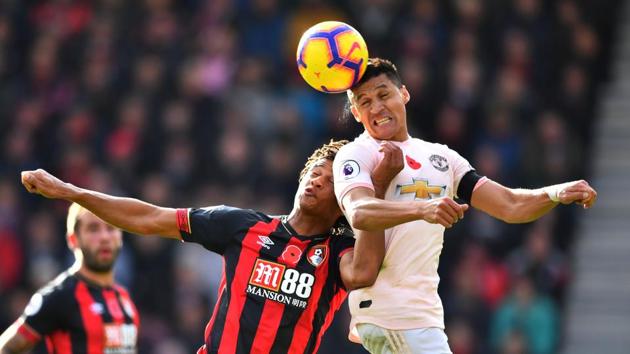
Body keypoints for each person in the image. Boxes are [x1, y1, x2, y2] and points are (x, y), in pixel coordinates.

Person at [18, 140, 399, 354]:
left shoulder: (338, 252)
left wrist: (375, 191)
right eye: (315, 171)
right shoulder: (241, 226)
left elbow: (363, 273)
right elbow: (150, 217)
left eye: (331, 181)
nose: (317, 181)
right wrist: (69, 192)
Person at [333, 58, 597, 353]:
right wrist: (424, 209)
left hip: (421, 316)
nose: (376, 107)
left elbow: (509, 205)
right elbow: (359, 211)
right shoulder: (356, 154)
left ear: (403, 94)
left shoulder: (443, 158)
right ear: (356, 113)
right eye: (365, 102)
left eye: (383, 94)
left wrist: (556, 193)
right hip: (393, 313)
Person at [0, 203, 139, 354]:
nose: (104, 237)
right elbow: (7, 347)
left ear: (120, 237)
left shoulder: (124, 299)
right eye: (93, 229)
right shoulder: (59, 296)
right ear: (73, 240)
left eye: (111, 228)